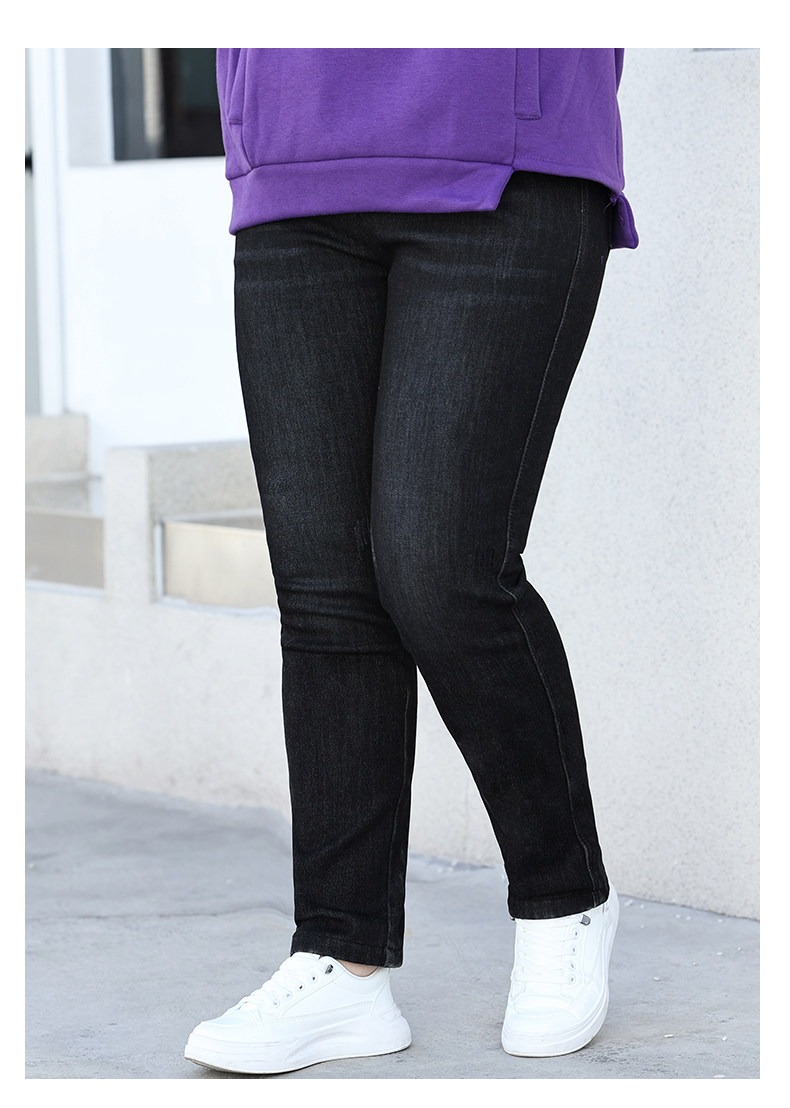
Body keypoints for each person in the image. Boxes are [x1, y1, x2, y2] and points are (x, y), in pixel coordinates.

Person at [185, 47, 638, 1076]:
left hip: (499, 137)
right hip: (293, 147)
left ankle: (564, 898)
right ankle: (340, 959)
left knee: (442, 567)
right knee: (325, 590)